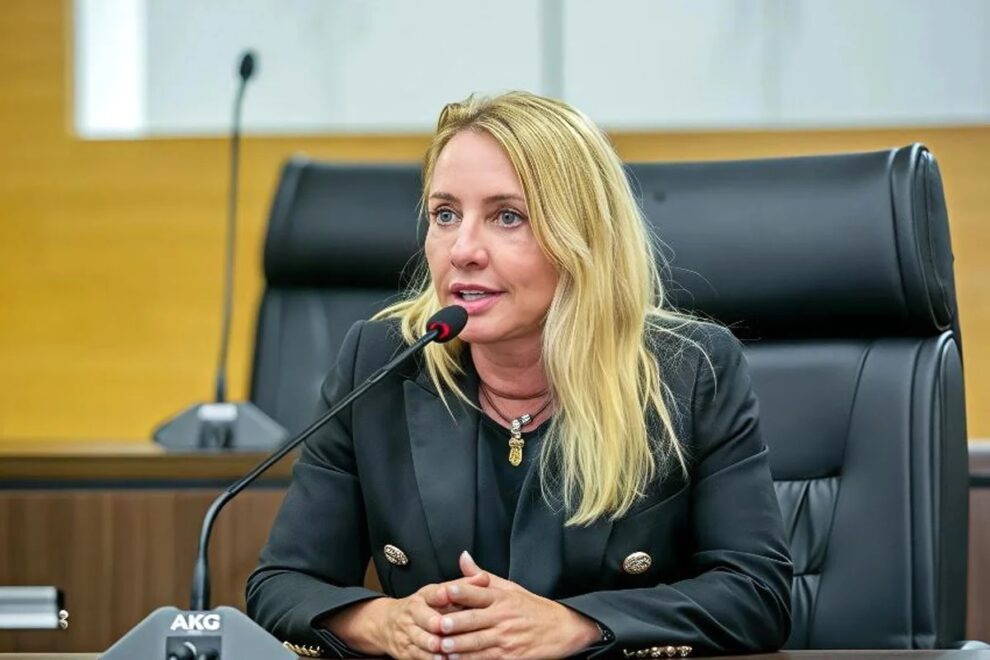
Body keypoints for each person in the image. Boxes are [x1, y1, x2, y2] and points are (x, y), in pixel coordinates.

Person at [247, 91, 792, 659]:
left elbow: (757, 593)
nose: (463, 250)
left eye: (507, 217)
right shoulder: (381, 362)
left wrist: (577, 625)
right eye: (445, 215)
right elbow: (281, 583)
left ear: (581, 239)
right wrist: (385, 622)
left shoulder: (688, 371)